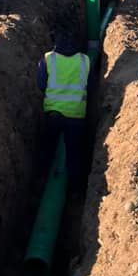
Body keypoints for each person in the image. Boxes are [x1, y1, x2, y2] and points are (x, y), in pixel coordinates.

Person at [36, 37, 90, 184]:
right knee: (75, 153)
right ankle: (75, 189)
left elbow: (41, 84)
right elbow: (88, 84)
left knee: (47, 150)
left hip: (53, 113)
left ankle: (41, 182)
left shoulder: (48, 59)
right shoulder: (85, 60)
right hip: (76, 114)